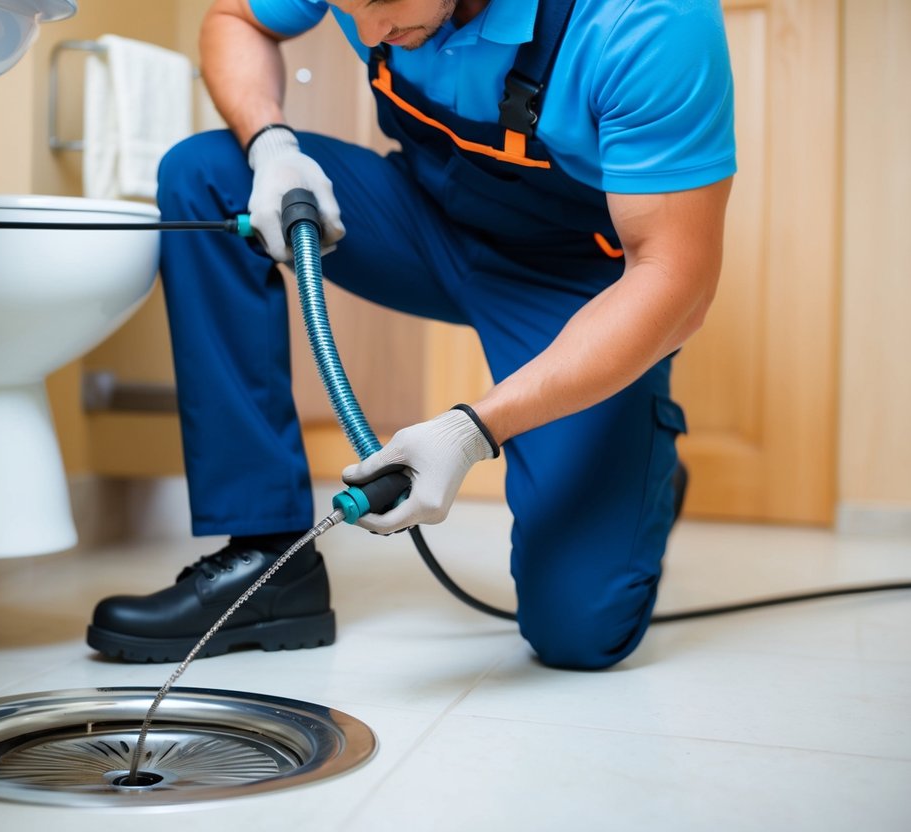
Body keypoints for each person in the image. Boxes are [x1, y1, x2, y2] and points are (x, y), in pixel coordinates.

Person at [88, 0, 735, 670]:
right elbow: (234, 17)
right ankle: (269, 564)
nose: (367, 34)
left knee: (576, 630)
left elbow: (674, 283)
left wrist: (471, 429)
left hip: (574, 281)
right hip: (427, 222)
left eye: (378, 1)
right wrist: (271, 146)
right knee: (206, 174)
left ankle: (633, 467)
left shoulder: (646, 20)